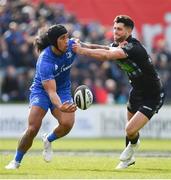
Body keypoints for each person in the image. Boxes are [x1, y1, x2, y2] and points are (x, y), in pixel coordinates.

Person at [72, 15, 165, 169]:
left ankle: (132, 148)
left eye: (119, 29)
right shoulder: (118, 43)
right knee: (130, 130)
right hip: (137, 91)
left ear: (129, 31)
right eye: (114, 28)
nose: (115, 31)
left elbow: (107, 55)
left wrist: (81, 50)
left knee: (129, 129)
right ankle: (128, 159)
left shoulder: (133, 48)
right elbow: (104, 48)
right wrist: (83, 44)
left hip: (153, 94)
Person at [5, 24, 77, 169]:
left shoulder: (71, 46)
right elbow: (51, 92)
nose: (67, 40)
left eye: (67, 36)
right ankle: (16, 161)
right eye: (63, 38)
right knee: (32, 128)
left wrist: (110, 48)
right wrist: (60, 106)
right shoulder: (45, 60)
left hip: (62, 90)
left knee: (68, 124)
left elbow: (90, 48)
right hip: (42, 91)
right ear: (54, 42)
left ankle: (48, 139)